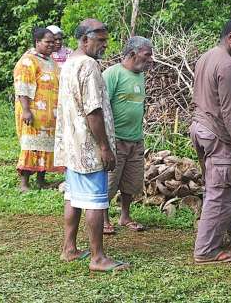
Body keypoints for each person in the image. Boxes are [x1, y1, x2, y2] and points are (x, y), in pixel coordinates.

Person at [54, 18, 129, 272]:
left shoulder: (69, 63)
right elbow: (93, 111)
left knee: (73, 197)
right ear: (85, 39)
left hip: (73, 146)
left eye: (106, 40)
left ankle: (69, 248)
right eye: (100, 40)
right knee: (96, 200)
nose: (105, 45)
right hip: (88, 147)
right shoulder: (89, 66)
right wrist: (104, 147)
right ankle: (98, 258)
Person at [190, 18, 231, 264]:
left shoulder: (205, 57)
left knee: (212, 189)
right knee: (221, 193)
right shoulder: (228, 67)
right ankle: (206, 250)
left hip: (199, 128)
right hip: (217, 134)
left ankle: (211, 239)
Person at [102, 36, 153, 235]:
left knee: (131, 182)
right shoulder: (112, 74)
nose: (151, 59)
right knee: (109, 182)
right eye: (147, 54)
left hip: (135, 139)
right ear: (133, 54)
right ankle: (104, 219)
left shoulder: (140, 76)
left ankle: (125, 216)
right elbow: (102, 107)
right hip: (115, 139)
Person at [13, 27, 64, 192]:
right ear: (37, 42)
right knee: (31, 145)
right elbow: (23, 87)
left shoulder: (51, 61)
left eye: (54, 41)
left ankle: (42, 180)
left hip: (50, 114)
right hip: (34, 112)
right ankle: (24, 184)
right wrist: (26, 110)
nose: (52, 44)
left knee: (47, 147)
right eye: (48, 42)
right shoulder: (28, 61)